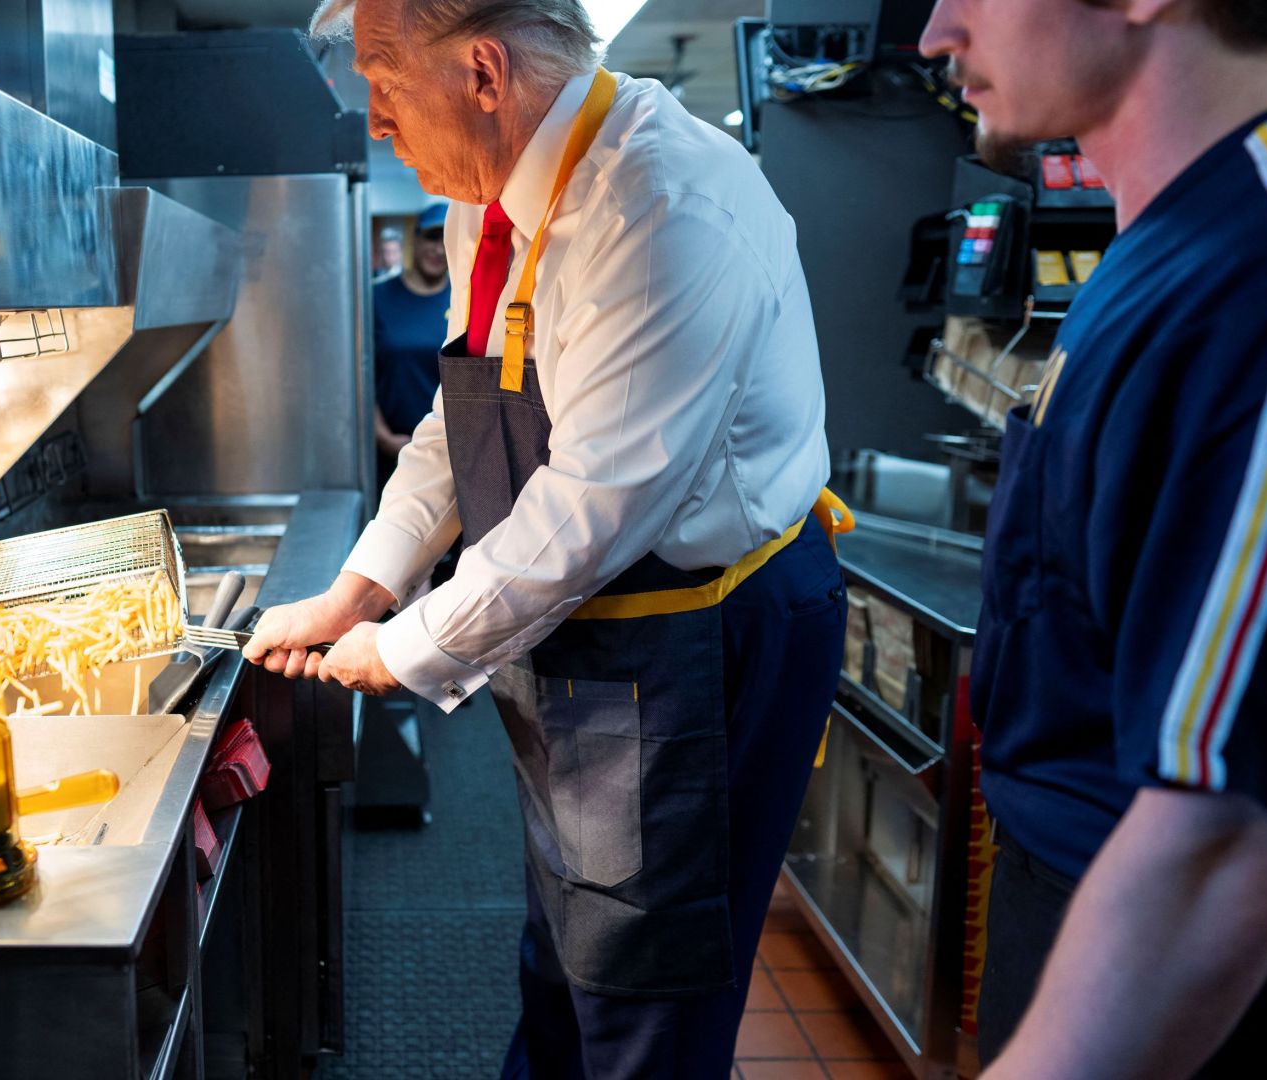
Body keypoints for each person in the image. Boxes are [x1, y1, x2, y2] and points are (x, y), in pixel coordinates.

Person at [244, 0, 849, 1074]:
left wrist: (409, 646)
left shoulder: (664, 205)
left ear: (483, 71)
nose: (374, 120)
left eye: (384, 81)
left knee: (644, 981)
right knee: (568, 947)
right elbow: (458, 416)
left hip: (690, 637)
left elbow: (598, 503)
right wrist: (365, 587)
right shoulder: (486, 201)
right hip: (579, 631)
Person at [919, 0, 1267, 1075]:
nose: (933, 32)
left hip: (1194, 986)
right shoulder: (1165, 242)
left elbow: (1240, 829)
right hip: (1080, 907)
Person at [373, 203, 452, 483]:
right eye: (431, 237)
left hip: (450, 449)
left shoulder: (465, 299)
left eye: (446, 240)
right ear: (414, 239)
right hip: (393, 446)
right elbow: (359, 373)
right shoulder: (378, 297)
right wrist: (383, 436)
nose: (439, 250)